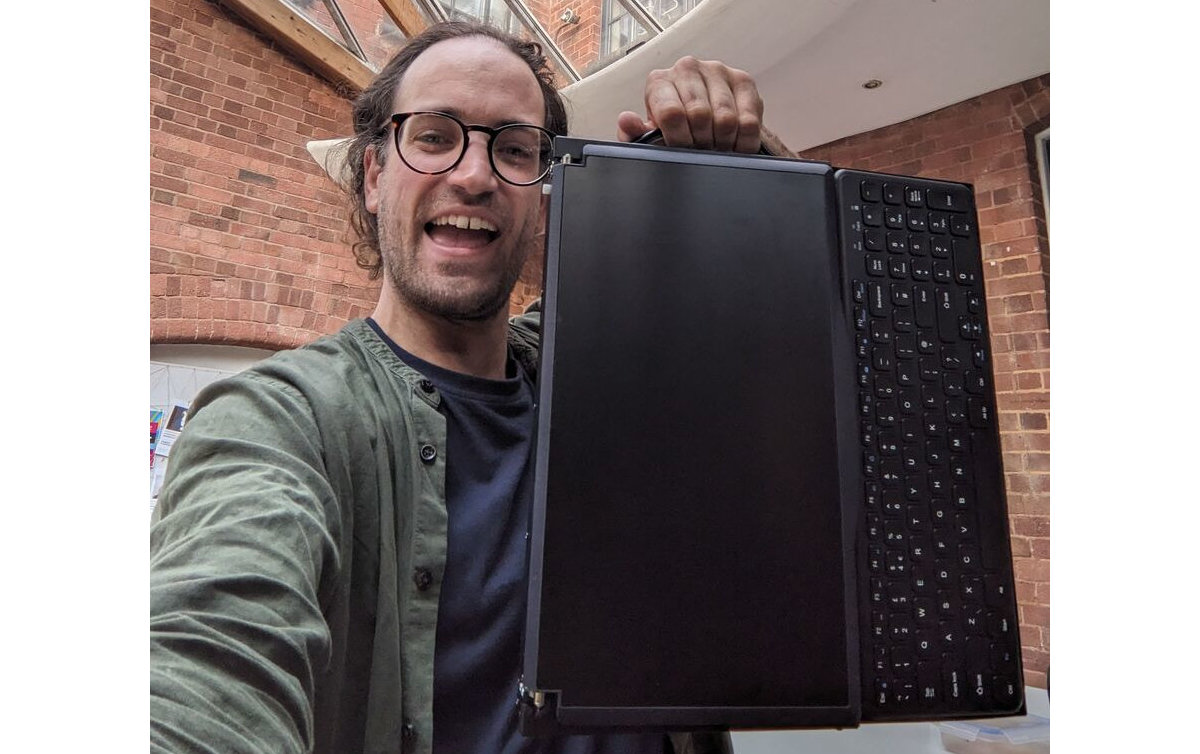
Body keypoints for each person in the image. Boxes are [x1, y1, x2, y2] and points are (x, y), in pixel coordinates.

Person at [150, 20, 793, 754]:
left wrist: (747, 166)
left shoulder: (601, 360)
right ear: (373, 175)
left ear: (543, 201)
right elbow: (209, 655)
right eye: (434, 136)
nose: (475, 175)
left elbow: (783, 310)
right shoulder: (281, 422)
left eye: (514, 149)